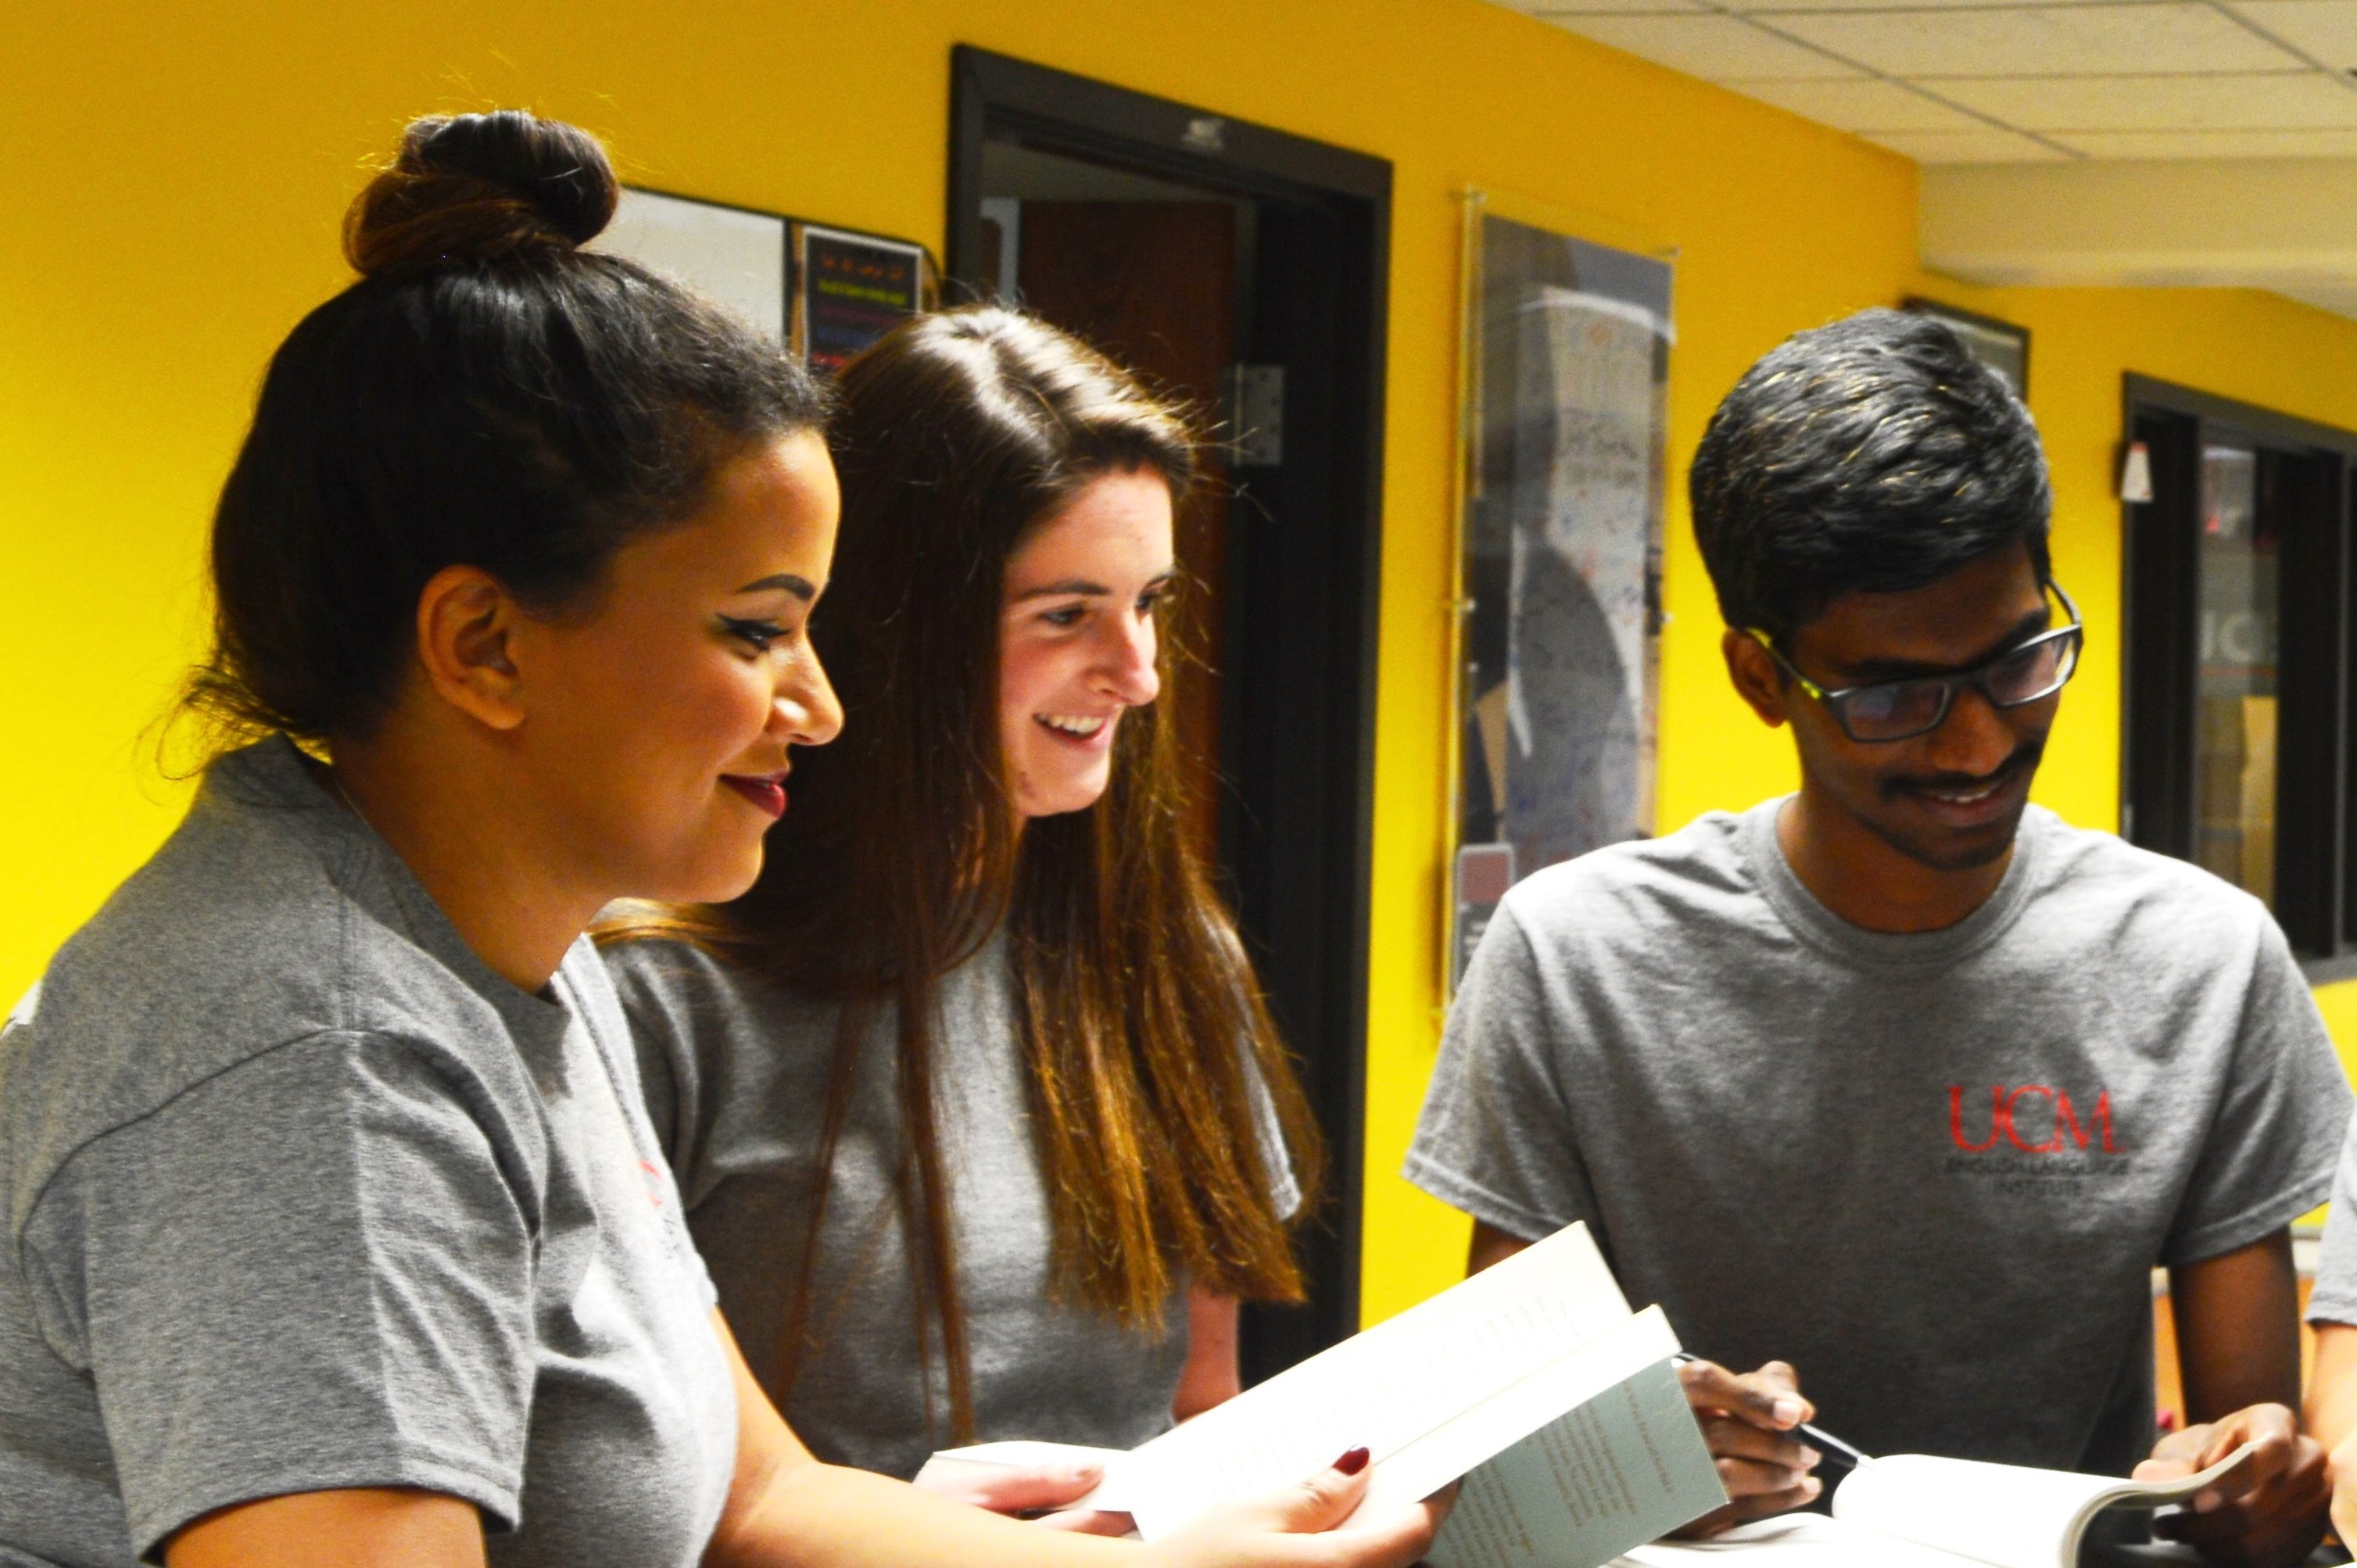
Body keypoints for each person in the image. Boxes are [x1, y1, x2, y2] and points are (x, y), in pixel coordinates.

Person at [0, 113, 1441, 1568]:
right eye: (757, 631)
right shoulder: (313, 1050)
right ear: (484, 645)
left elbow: (759, 1498)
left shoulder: (518, 963)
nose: (818, 705)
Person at [1405, 308, 2348, 1565]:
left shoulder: (2202, 960)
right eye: (1895, 696)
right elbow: (1493, 1465)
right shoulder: (1575, 957)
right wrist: (1624, 1457)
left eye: (2021, 660)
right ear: (1758, 677)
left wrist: (2255, 1477)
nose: (1976, 744)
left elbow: (2251, 1454)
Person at [597, 307, 1320, 1525]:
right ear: (892, 633)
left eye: (1150, 602)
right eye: (1065, 614)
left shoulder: (1166, 956)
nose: (1137, 670)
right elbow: (604, 1494)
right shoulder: (660, 989)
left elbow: (1207, 1400)